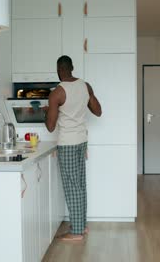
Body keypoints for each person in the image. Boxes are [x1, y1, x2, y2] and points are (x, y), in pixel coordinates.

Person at [45, 55, 102, 241]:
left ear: (59, 70)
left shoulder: (57, 93)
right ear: (72, 67)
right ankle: (81, 226)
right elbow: (98, 111)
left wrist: (48, 110)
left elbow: (50, 126)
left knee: (72, 186)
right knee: (80, 184)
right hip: (81, 141)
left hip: (67, 143)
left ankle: (76, 232)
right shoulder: (85, 86)